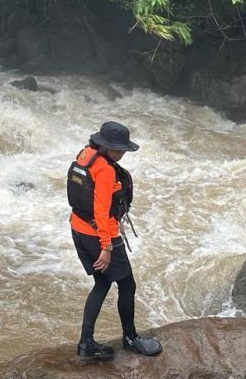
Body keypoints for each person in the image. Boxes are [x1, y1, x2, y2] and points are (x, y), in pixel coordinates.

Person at [67, 120, 162, 359]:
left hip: (78, 227)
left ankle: (86, 342)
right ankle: (130, 338)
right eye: (118, 149)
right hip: (100, 233)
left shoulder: (85, 155)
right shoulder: (106, 170)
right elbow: (101, 210)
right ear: (106, 146)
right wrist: (106, 246)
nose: (121, 154)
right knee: (128, 285)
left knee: (102, 283)